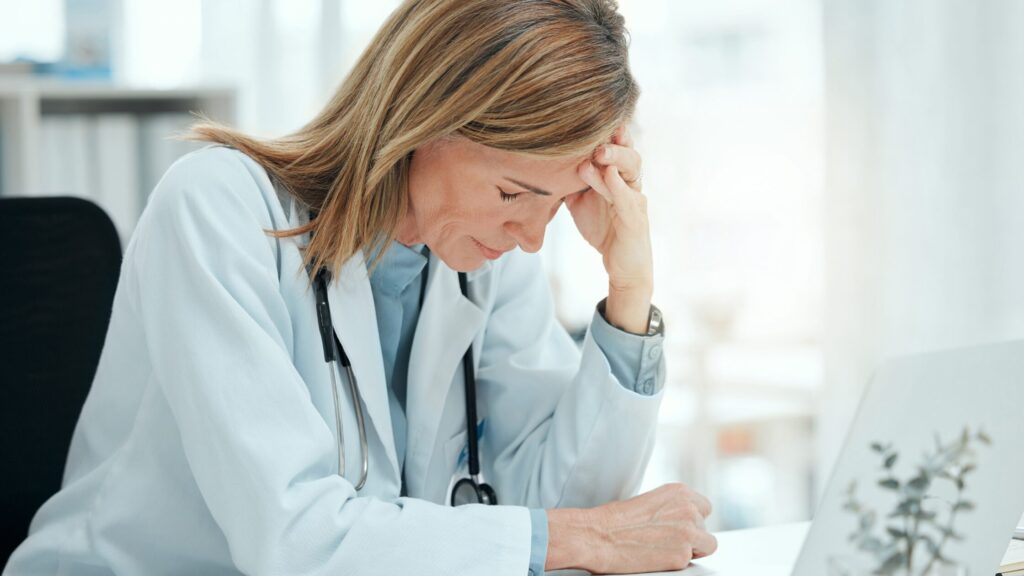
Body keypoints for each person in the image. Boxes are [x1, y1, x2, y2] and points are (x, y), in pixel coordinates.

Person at [4, 1, 717, 574]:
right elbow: (298, 540)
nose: (529, 237)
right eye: (512, 192)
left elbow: (572, 511)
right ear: (427, 120)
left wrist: (630, 289)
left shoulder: (483, 261)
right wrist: (578, 540)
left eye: (554, 207)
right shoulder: (218, 208)